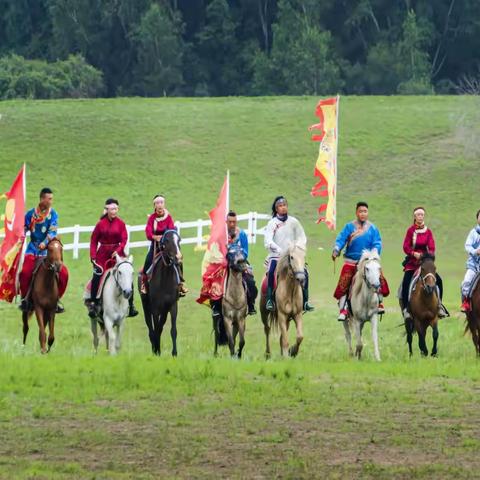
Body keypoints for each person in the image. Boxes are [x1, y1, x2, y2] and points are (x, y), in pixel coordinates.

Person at [332, 201, 389, 321]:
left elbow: (377, 242)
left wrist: (374, 253)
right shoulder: (349, 226)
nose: (363, 214)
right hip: (351, 261)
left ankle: (379, 302)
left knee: (378, 277)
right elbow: (341, 239)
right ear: (356, 213)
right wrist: (336, 249)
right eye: (360, 211)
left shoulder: (373, 228)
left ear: (367, 213)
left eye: (365, 211)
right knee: (345, 282)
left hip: (368, 261)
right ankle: (343, 309)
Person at [18, 187, 68, 313]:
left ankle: (56, 300)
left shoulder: (53, 214)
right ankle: (26, 300)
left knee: (63, 273)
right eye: (49, 199)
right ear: (42, 199)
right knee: (24, 273)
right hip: (33, 249)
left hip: (48, 252)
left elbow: (52, 231)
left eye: (52, 199)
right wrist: (23, 233)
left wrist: (45, 243)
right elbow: (24, 227)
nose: (51, 201)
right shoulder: (30, 214)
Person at [87, 198, 138, 319]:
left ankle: (131, 305)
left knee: (127, 274)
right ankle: (94, 303)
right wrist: (93, 256)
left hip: (117, 255)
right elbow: (93, 240)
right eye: (111, 209)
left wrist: (118, 251)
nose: (114, 211)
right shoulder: (100, 224)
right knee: (97, 275)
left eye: (115, 209)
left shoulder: (121, 223)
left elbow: (124, 240)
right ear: (107, 209)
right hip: (102, 255)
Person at [264, 196, 314, 312]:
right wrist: (279, 250)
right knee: (271, 272)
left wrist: (297, 248)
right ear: (276, 209)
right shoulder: (272, 223)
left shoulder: (294, 222)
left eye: (285, 205)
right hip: (277, 256)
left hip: (292, 255)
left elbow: (302, 237)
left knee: (305, 272)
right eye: (280, 206)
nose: (283, 208)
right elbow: (268, 241)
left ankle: (305, 301)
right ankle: (270, 299)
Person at [400, 206, 448, 319]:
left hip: (425, 263)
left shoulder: (428, 232)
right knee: (406, 282)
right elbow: (405, 246)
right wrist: (413, 253)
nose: (420, 217)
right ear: (414, 217)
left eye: (422, 215)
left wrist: (427, 256)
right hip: (413, 263)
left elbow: (432, 247)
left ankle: (439, 306)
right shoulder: (410, 231)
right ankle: (407, 308)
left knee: (439, 280)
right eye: (418, 215)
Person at [141, 194, 188, 296]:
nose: (160, 205)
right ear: (154, 205)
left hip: (168, 246)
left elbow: (171, 230)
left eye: (161, 202)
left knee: (178, 259)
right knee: (147, 262)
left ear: (164, 204)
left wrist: (165, 237)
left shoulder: (169, 217)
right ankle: (144, 284)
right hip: (156, 246)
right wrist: (154, 237)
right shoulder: (152, 219)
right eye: (157, 203)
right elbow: (148, 232)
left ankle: (181, 283)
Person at [460, 209, 480, 313]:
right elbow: (467, 246)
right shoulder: (474, 232)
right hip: (474, 265)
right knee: (466, 282)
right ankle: (466, 302)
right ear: (477, 219)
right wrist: (475, 251)